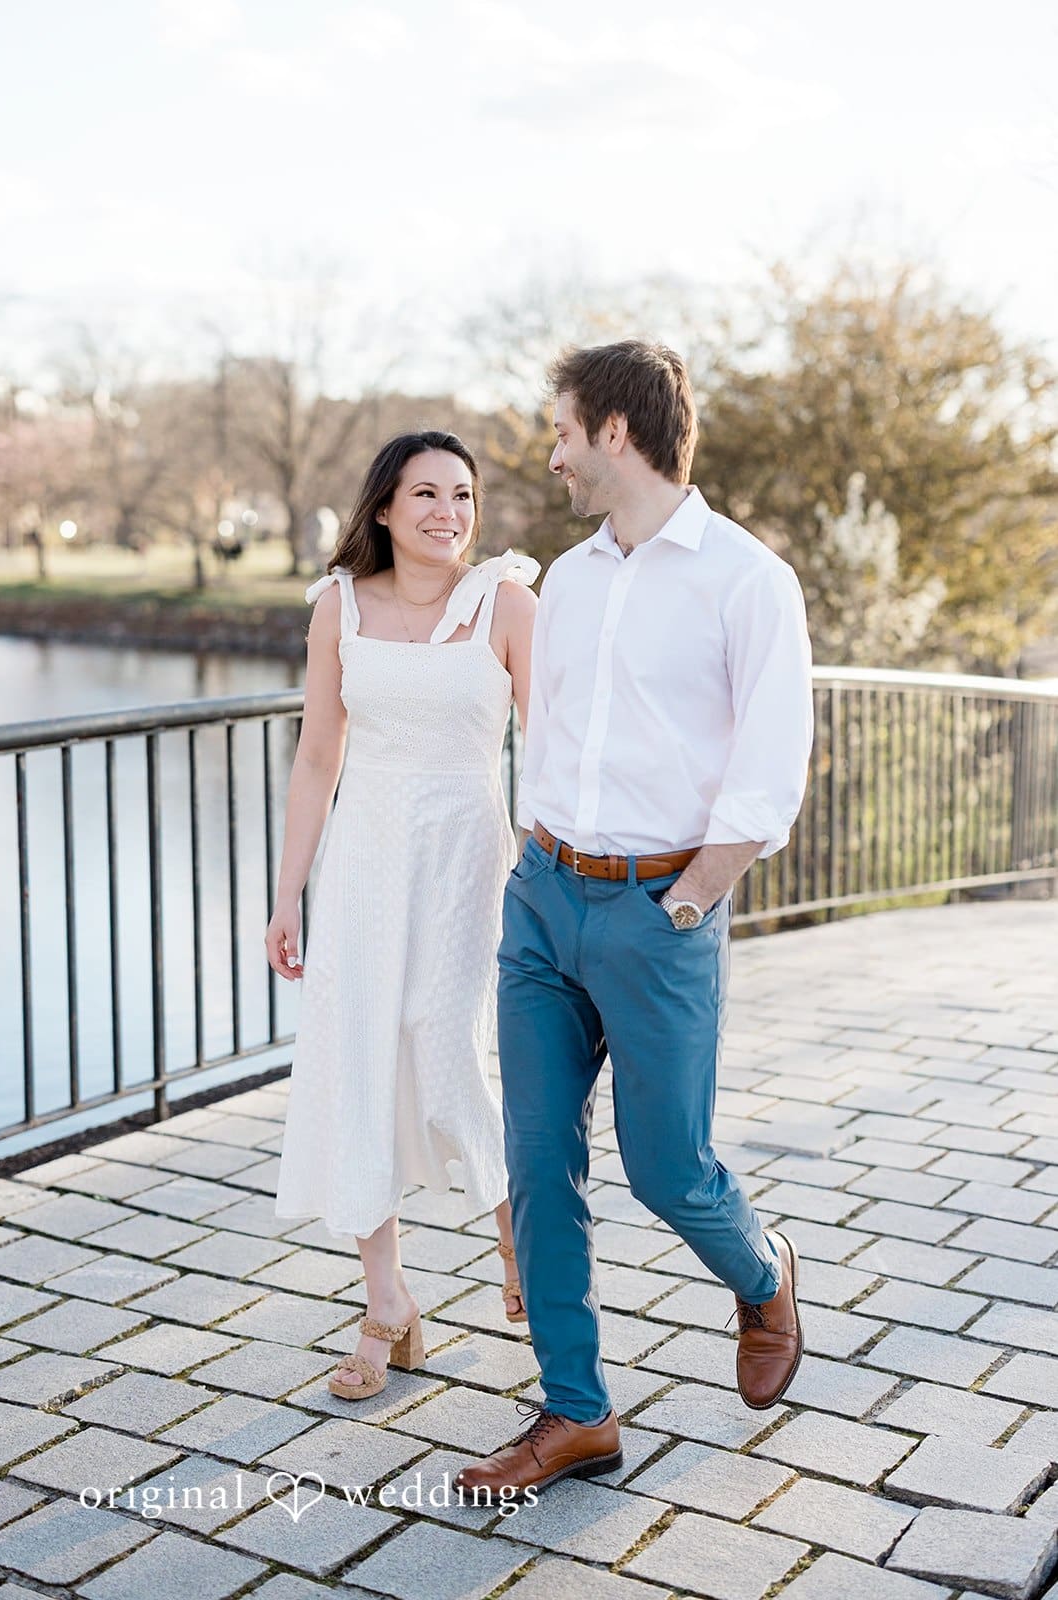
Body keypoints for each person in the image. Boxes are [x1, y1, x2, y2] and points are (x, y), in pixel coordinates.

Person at [456, 342, 814, 1498]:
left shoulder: (748, 579)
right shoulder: (570, 579)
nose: (551, 455)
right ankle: (577, 1412)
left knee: (668, 1166)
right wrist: (531, 869)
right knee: (538, 1157)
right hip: (545, 899)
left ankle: (762, 1275)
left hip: (661, 911)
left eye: (560, 431)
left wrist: (692, 896)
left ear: (617, 431)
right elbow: (549, 732)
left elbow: (768, 768)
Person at [268, 430, 539, 1399]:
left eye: (462, 494)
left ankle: (522, 1243)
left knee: (444, 1037)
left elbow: (546, 748)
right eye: (425, 493)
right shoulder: (338, 606)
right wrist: (287, 892)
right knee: (358, 1060)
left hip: (468, 851)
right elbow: (315, 759)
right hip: (365, 859)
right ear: (384, 506)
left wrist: (561, 875)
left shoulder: (508, 601)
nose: (447, 513)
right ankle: (387, 1301)